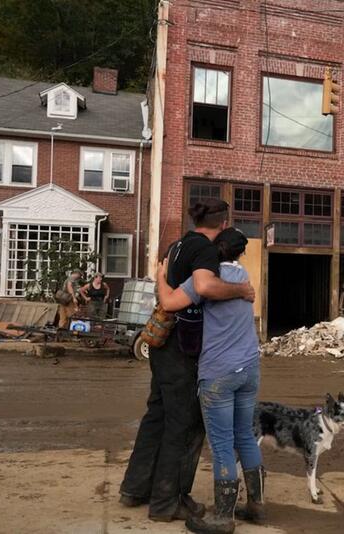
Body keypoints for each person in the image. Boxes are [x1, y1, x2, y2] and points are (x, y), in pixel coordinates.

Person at [119, 199, 255, 523]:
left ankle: (135, 488)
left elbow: (166, 283)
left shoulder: (178, 244)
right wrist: (240, 290)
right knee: (185, 425)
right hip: (183, 350)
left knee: (157, 417)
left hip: (163, 347)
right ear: (222, 225)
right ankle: (168, 502)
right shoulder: (205, 250)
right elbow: (205, 285)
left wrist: (162, 278)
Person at [156, 227, 264, 534]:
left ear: (215, 250)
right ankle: (256, 505)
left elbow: (169, 303)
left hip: (218, 372)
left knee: (221, 445)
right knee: (244, 435)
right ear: (241, 252)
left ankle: (223, 516)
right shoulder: (245, 279)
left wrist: (161, 275)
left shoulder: (205, 281)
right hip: (249, 369)